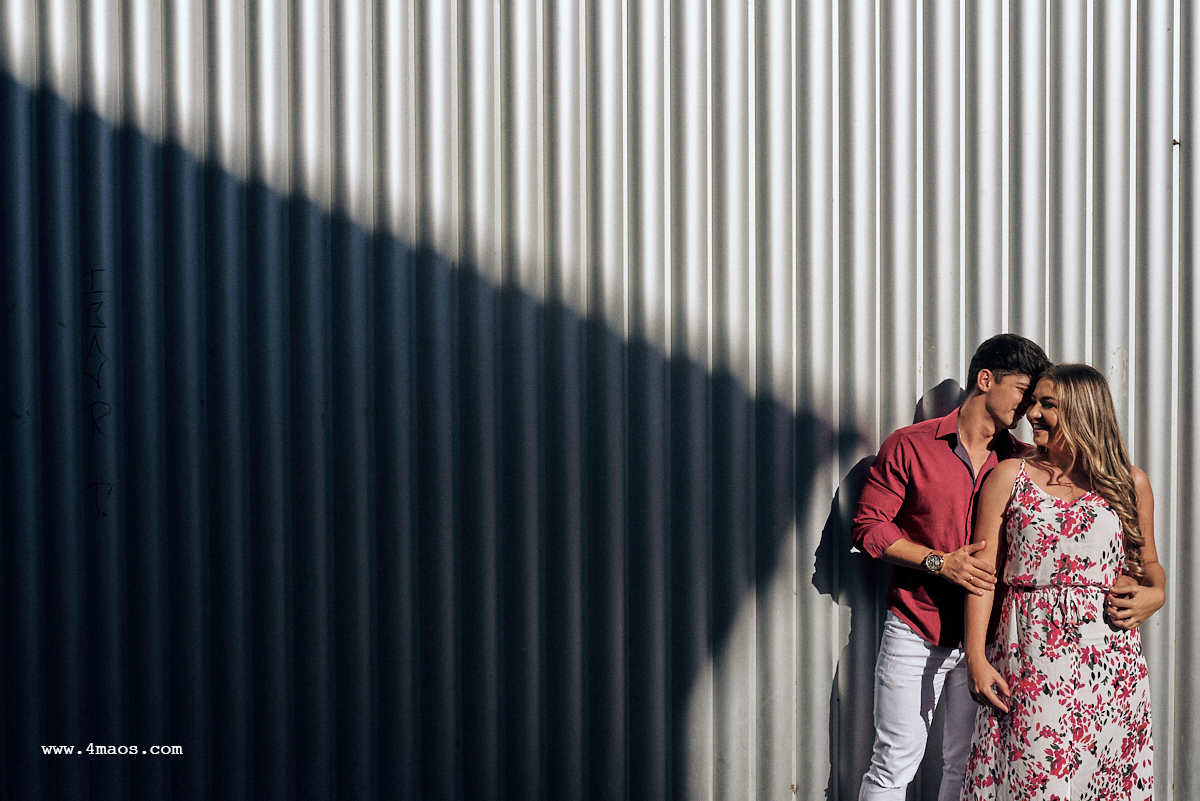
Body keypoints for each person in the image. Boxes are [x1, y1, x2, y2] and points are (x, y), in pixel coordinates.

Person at [852, 334, 1052, 801]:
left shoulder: (1023, 462)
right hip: (916, 628)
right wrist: (940, 563)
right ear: (986, 379)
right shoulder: (910, 445)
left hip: (990, 638)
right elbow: (867, 526)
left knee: (969, 766)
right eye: (1023, 389)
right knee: (892, 765)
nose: (1030, 407)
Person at [961, 364, 1164, 799]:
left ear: (1083, 410)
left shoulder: (1129, 482)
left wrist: (1156, 594)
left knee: (1102, 776)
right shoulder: (1009, 476)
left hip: (1110, 663)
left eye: (1047, 404)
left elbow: (1150, 564)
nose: (1031, 412)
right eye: (1032, 401)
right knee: (1034, 777)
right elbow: (984, 576)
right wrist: (977, 659)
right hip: (1031, 656)